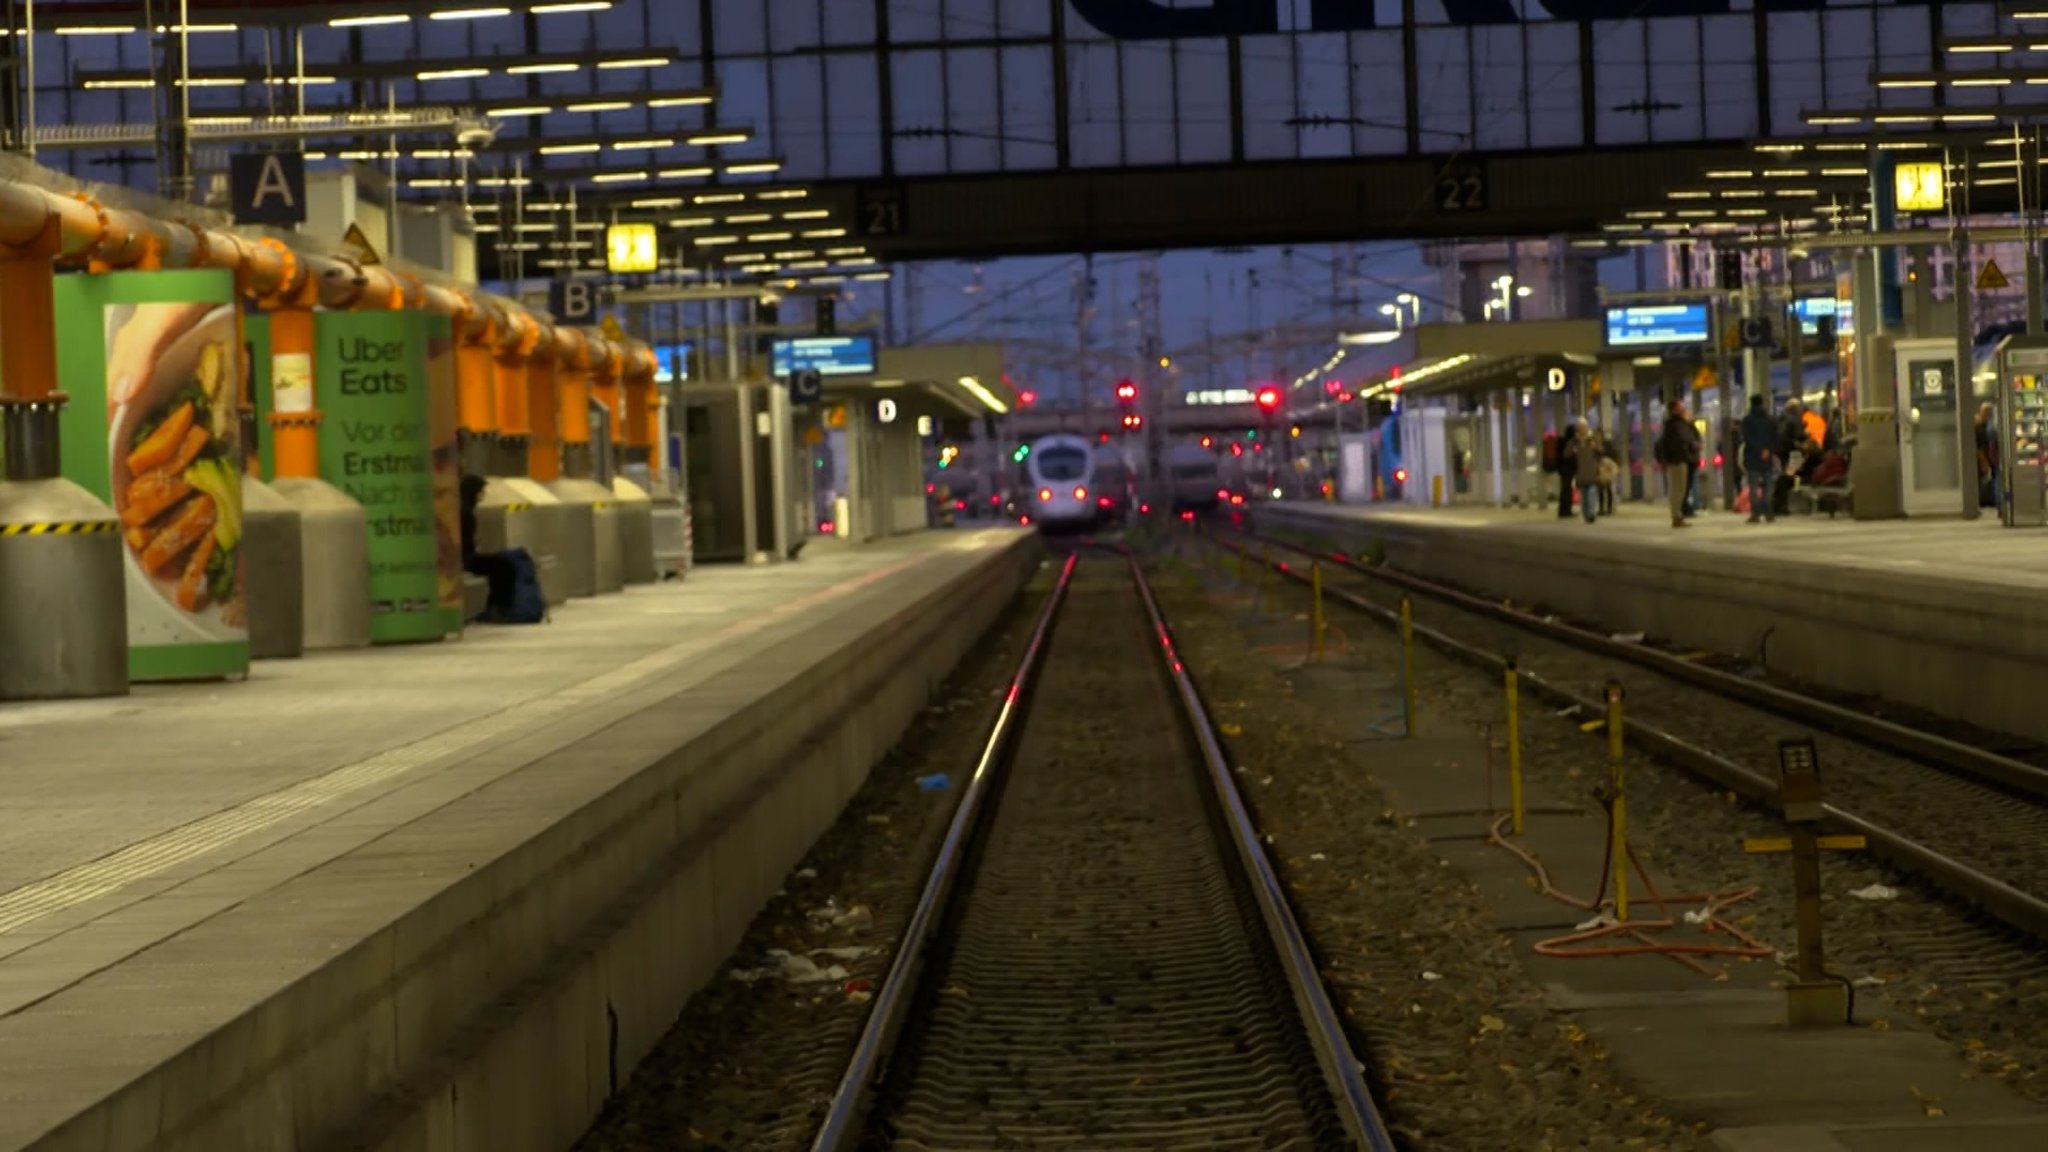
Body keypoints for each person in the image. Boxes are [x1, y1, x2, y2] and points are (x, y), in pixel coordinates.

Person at [460, 474, 517, 619]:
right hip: (463, 559)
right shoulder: (465, 512)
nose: (483, 496)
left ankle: (495, 607)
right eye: (481, 492)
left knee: (500, 564)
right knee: (503, 566)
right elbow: (465, 544)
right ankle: (499, 608)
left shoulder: (463, 508)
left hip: (463, 556)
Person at [1654, 399, 1697, 529]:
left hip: (1681, 459)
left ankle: (1678, 514)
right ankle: (1677, 516)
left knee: (1681, 489)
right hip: (1677, 460)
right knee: (1678, 489)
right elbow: (1685, 440)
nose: (1684, 408)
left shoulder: (1677, 424)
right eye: (1680, 407)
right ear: (1674, 410)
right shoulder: (1675, 425)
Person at [1739, 393, 1779, 524]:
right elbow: (1775, 438)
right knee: (1768, 487)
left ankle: (1755, 514)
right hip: (1767, 458)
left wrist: (1759, 450)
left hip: (1752, 457)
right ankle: (1769, 513)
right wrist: (1768, 450)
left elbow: (1747, 439)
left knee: (1754, 487)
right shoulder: (1771, 420)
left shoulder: (1747, 420)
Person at [1573, 419, 1606, 524]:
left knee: (1591, 494)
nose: (1581, 429)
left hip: (1591, 472)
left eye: (1583, 427)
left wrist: (1595, 447)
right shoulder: (1576, 442)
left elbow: (1601, 451)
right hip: (1581, 474)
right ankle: (1586, 514)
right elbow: (1567, 454)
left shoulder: (1592, 439)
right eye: (1580, 427)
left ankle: (1591, 514)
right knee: (1584, 496)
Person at [1555, 421, 1579, 519]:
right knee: (1567, 490)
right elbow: (1567, 455)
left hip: (1562, 469)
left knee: (1564, 490)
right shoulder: (1570, 442)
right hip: (1567, 469)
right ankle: (1566, 511)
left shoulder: (1561, 441)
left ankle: (1563, 510)